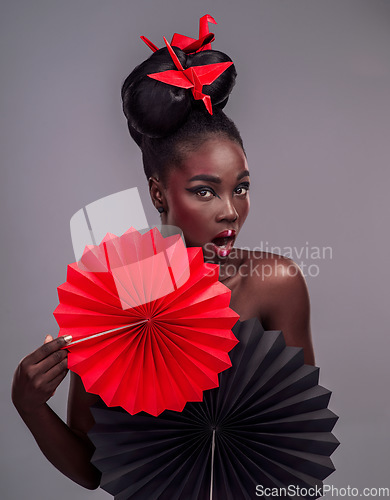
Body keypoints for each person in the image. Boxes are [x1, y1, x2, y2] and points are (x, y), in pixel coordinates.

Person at [11, 33, 314, 491]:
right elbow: (95, 471)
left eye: (242, 187)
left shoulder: (273, 284)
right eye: (205, 191)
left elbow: (299, 443)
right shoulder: (116, 295)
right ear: (158, 193)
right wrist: (30, 407)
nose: (231, 210)